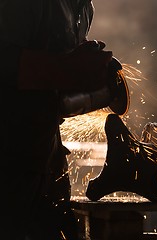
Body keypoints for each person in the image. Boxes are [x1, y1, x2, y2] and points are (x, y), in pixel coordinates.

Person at [0, 1, 113, 239]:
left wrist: (87, 77)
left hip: (46, 161)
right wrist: (67, 69)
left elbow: (53, 90)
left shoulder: (83, 8)